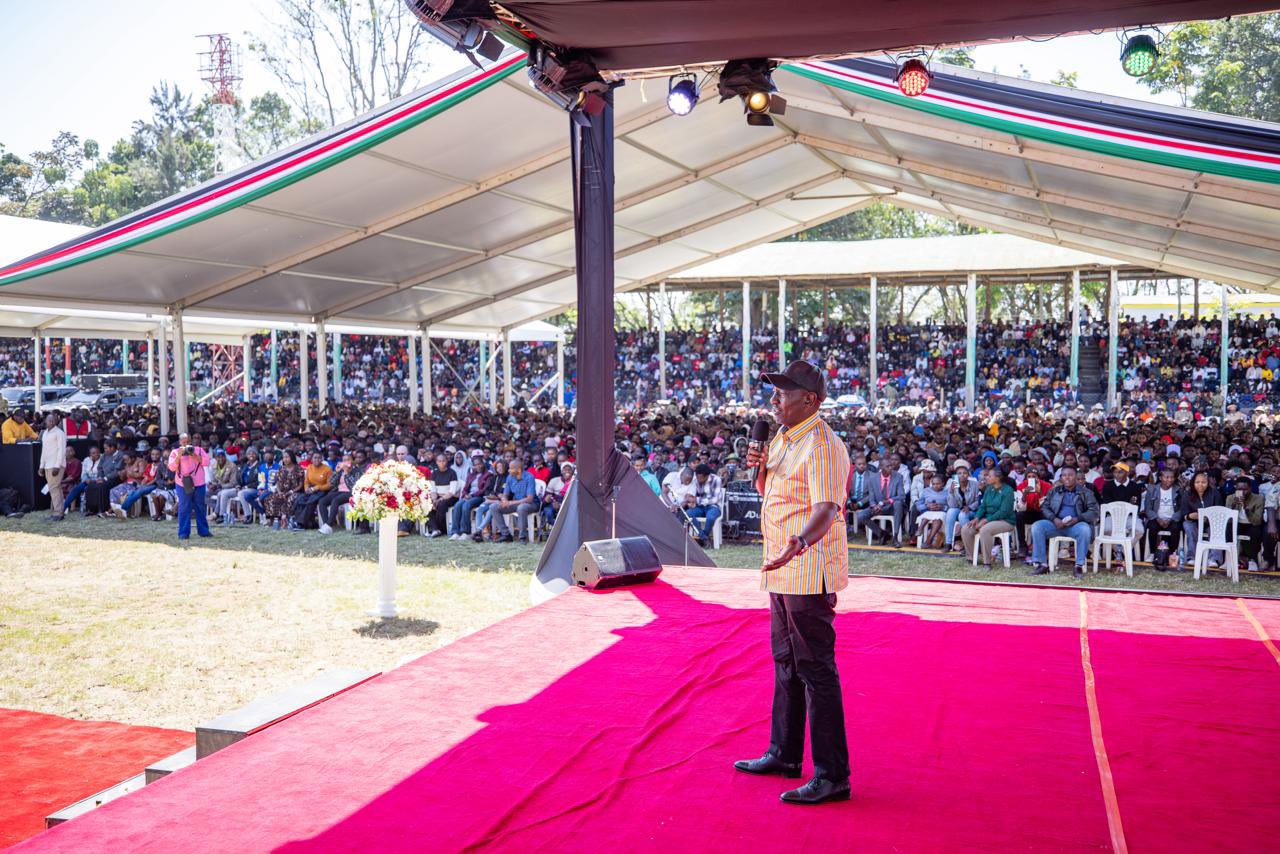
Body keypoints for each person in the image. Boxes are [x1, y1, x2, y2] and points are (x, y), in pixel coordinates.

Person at [734, 360, 851, 806]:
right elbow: (775, 492)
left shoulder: (822, 444)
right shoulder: (784, 436)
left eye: (783, 393)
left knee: (816, 669)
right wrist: (759, 469)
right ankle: (784, 753)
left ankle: (832, 775)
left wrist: (798, 543)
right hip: (782, 565)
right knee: (786, 660)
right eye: (775, 392)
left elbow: (826, 508)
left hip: (805, 565)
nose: (774, 400)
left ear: (811, 400)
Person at [1028, 466, 1099, 576]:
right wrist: (1054, 519)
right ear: (1061, 477)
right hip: (1056, 525)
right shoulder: (1055, 491)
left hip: (1076, 525)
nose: (1067, 478)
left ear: (1076, 477)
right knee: (1037, 526)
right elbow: (1044, 507)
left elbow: (1094, 511)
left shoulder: (1086, 492)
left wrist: (1077, 519)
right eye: (1064, 475)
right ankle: (1042, 564)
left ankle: (1079, 565)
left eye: (1070, 475)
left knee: (1085, 529)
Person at [960, 468, 1016, 568]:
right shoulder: (989, 488)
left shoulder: (1008, 491)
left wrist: (986, 520)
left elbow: (1004, 512)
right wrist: (977, 518)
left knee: (985, 530)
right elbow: (983, 506)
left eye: (989, 476)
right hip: (988, 518)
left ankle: (987, 562)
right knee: (966, 528)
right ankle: (971, 558)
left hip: (1005, 520)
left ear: (997, 478)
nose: (986, 478)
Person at [167, 435, 213, 540]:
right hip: (182, 483)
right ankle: (183, 533)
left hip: (199, 483)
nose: (186, 444)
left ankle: (204, 532)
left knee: (200, 508)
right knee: (184, 508)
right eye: (183, 442)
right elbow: (172, 467)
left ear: (191, 442)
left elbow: (206, 462)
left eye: (188, 442)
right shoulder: (174, 452)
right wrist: (179, 455)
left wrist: (193, 454)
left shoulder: (199, 450)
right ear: (179, 443)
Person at [1141, 467, 1184, 569]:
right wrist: (1157, 519)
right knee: (1152, 527)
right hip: (1157, 519)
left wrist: (1171, 519)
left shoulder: (1178, 490)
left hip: (1172, 519)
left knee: (1175, 528)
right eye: (1166, 477)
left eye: (1172, 477)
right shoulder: (1152, 490)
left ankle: (1172, 554)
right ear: (1160, 478)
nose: (1169, 480)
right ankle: (1152, 553)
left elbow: (1181, 509)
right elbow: (1148, 509)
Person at [1181, 471, 1222, 568]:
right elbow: (1184, 514)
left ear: (1208, 483)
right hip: (1194, 521)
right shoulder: (1187, 494)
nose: (1200, 484)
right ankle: (1192, 558)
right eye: (1197, 482)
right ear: (1193, 483)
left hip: (1211, 522)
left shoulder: (1214, 493)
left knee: (1217, 528)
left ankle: (1213, 559)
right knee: (1188, 525)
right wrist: (1190, 516)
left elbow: (1219, 510)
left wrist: (1209, 517)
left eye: (1203, 482)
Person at [1225, 480, 1266, 571]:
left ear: (1250, 488)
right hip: (1237, 524)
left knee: (1256, 531)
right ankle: (1228, 559)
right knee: (1228, 529)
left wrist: (1245, 507)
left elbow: (1257, 521)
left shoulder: (1259, 498)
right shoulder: (1230, 498)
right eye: (1239, 489)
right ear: (1235, 488)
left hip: (1251, 524)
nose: (1242, 492)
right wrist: (1233, 505)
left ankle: (1252, 560)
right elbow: (1227, 519)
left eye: (1245, 489)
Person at [451, 452, 493, 540]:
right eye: (475, 465)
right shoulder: (471, 475)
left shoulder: (488, 475)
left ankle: (466, 532)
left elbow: (484, 490)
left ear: (483, 464)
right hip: (469, 496)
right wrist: (465, 494)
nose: (477, 466)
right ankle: (455, 532)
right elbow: (465, 488)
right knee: (457, 505)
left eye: (479, 464)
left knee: (466, 505)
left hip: (480, 497)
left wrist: (472, 495)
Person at [944, 460, 980, 552]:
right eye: (959, 473)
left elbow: (978, 501)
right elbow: (952, 505)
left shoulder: (974, 484)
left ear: (968, 474)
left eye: (965, 473)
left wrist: (969, 507)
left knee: (962, 515)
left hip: (972, 510)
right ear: (956, 475)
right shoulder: (954, 484)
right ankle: (948, 543)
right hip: (958, 509)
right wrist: (951, 492)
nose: (962, 475)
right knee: (951, 511)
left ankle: (969, 543)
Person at [292, 450, 333, 530]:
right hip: (310, 489)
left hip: (322, 490)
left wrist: (317, 488)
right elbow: (306, 481)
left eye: (319, 458)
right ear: (311, 459)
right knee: (299, 499)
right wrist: (306, 488)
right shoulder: (309, 467)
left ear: (322, 459)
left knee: (311, 501)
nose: (317, 460)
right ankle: (307, 523)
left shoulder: (327, 469)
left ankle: (301, 524)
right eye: (315, 458)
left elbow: (329, 485)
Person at [38, 413, 67, 520]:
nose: (51, 422)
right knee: (55, 488)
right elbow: (44, 451)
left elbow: (62, 450)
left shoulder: (60, 433)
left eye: (53, 420)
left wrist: (57, 466)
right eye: (49, 420)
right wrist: (41, 466)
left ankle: (58, 513)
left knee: (54, 488)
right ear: (45, 421)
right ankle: (59, 512)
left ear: (56, 421)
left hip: (56, 466)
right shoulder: (45, 433)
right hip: (47, 465)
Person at [265, 450, 303, 531]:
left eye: (287, 457)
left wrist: (291, 492)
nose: (285, 459)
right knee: (270, 498)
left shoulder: (299, 469)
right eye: (283, 457)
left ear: (292, 458)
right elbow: (278, 482)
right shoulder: (281, 468)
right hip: (282, 491)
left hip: (295, 491)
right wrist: (279, 492)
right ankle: (274, 520)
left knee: (290, 499)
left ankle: (287, 520)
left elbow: (301, 484)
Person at [687, 463, 723, 547]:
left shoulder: (716, 480)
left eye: (701, 478)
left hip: (713, 507)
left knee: (710, 518)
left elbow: (715, 499)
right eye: (697, 477)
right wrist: (691, 503)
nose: (698, 479)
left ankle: (702, 537)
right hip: (700, 507)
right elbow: (693, 495)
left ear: (707, 476)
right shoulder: (695, 480)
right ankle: (704, 538)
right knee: (689, 513)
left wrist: (697, 500)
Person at [425, 453, 460, 537]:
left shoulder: (452, 473)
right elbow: (433, 490)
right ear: (436, 462)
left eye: (443, 461)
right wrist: (434, 500)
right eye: (439, 461)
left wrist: (439, 499)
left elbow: (452, 492)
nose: (441, 463)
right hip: (437, 497)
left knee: (441, 504)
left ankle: (437, 529)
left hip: (450, 497)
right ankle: (435, 529)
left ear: (446, 461)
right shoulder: (435, 474)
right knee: (426, 505)